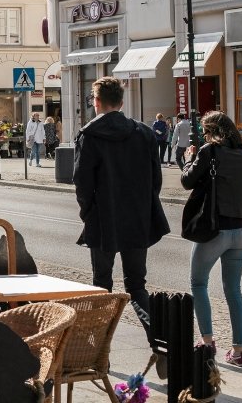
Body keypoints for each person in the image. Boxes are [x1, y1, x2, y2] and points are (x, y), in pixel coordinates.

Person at [73, 77, 170, 345]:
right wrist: (143, 206)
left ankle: (98, 346)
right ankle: (159, 342)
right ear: (122, 102)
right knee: (137, 285)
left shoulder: (89, 135)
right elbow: (156, 179)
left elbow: (82, 183)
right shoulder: (144, 133)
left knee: (101, 284)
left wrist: (88, 214)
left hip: (104, 219)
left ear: (96, 102)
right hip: (137, 218)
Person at [181, 111, 242, 367]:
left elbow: (187, 182)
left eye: (204, 131)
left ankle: (208, 342)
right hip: (241, 231)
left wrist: (188, 159)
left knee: (198, 283)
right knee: (233, 290)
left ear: (210, 131)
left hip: (214, 230)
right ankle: (239, 352)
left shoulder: (210, 151)